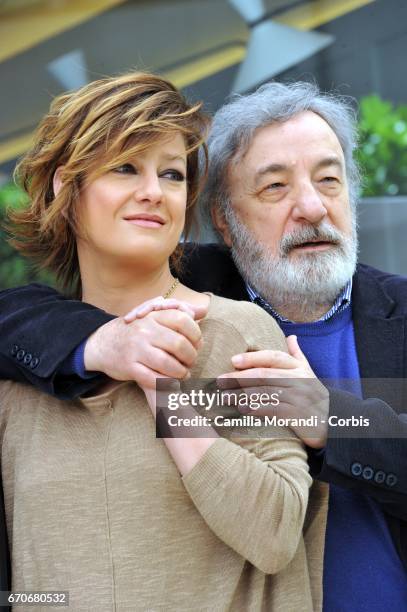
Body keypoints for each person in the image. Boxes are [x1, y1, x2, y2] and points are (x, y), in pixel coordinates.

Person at [1, 82, 407, 608]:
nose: (311, 206)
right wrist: (98, 343)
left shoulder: (382, 315)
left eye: (329, 181)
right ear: (224, 223)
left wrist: (333, 418)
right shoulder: (194, 291)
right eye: (275, 188)